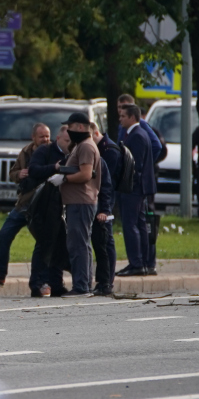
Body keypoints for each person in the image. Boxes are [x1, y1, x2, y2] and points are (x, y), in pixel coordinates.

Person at [0, 123, 51, 286]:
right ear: (33, 138)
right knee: (4, 234)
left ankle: (43, 281)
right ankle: (0, 273)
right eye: (42, 136)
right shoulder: (25, 152)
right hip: (24, 204)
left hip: (42, 206)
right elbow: (12, 173)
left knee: (44, 243)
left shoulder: (52, 153)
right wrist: (19, 174)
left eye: (47, 135)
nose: (45, 139)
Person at [48, 112, 102, 297]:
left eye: (70, 127)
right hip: (80, 202)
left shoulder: (86, 146)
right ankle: (84, 284)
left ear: (80, 127)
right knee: (82, 244)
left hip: (81, 202)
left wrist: (64, 178)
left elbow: (86, 174)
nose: (68, 131)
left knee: (78, 244)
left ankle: (81, 286)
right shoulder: (82, 145)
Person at [27, 125, 70, 297]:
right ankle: (37, 283)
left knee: (59, 245)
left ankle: (56, 283)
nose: (69, 144)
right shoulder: (45, 151)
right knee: (44, 244)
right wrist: (55, 168)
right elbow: (33, 170)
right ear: (58, 139)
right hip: (45, 205)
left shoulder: (72, 154)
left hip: (63, 205)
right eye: (66, 140)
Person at [116, 103, 156, 276]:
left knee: (130, 224)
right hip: (135, 188)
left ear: (132, 117)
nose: (120, 119)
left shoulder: (137, 136)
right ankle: (141, 262)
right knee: (139, 224)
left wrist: (126, 183)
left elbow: (136, 165)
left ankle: (137, 263)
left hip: (133, 188)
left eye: (123, 116)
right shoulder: (136, 134)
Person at [91, 122, 118, 295]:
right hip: (101, 204)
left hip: (104, 205)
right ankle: (103, 281)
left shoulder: (108, 151)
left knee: (105, 243)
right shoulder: (100, 150)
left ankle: (106, 281)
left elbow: (106, 185)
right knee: (102, 243)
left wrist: (105, 210)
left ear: (95, 133)